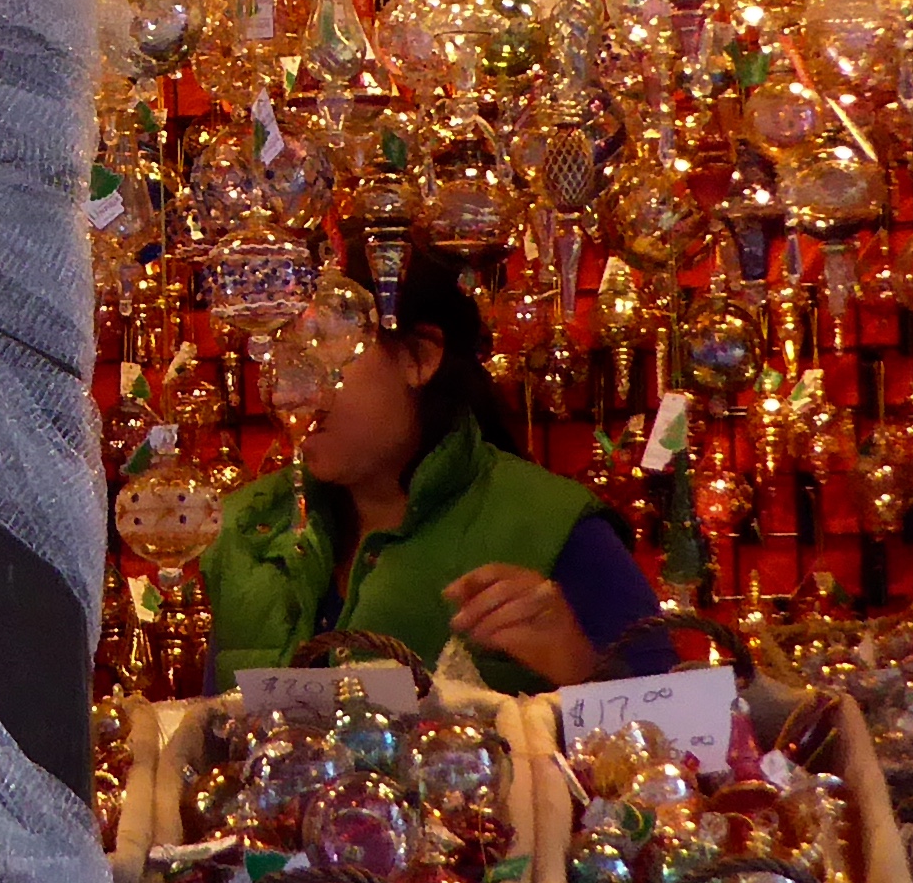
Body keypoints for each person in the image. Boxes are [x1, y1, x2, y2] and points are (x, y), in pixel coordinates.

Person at [197, 255, 676, 691]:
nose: (289, 393)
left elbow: (672, 732)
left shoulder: (549, 525)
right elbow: (212, 732)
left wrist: (578, 667)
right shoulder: (247, 527)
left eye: (324, 350)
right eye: (279, 358)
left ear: (419, 358)